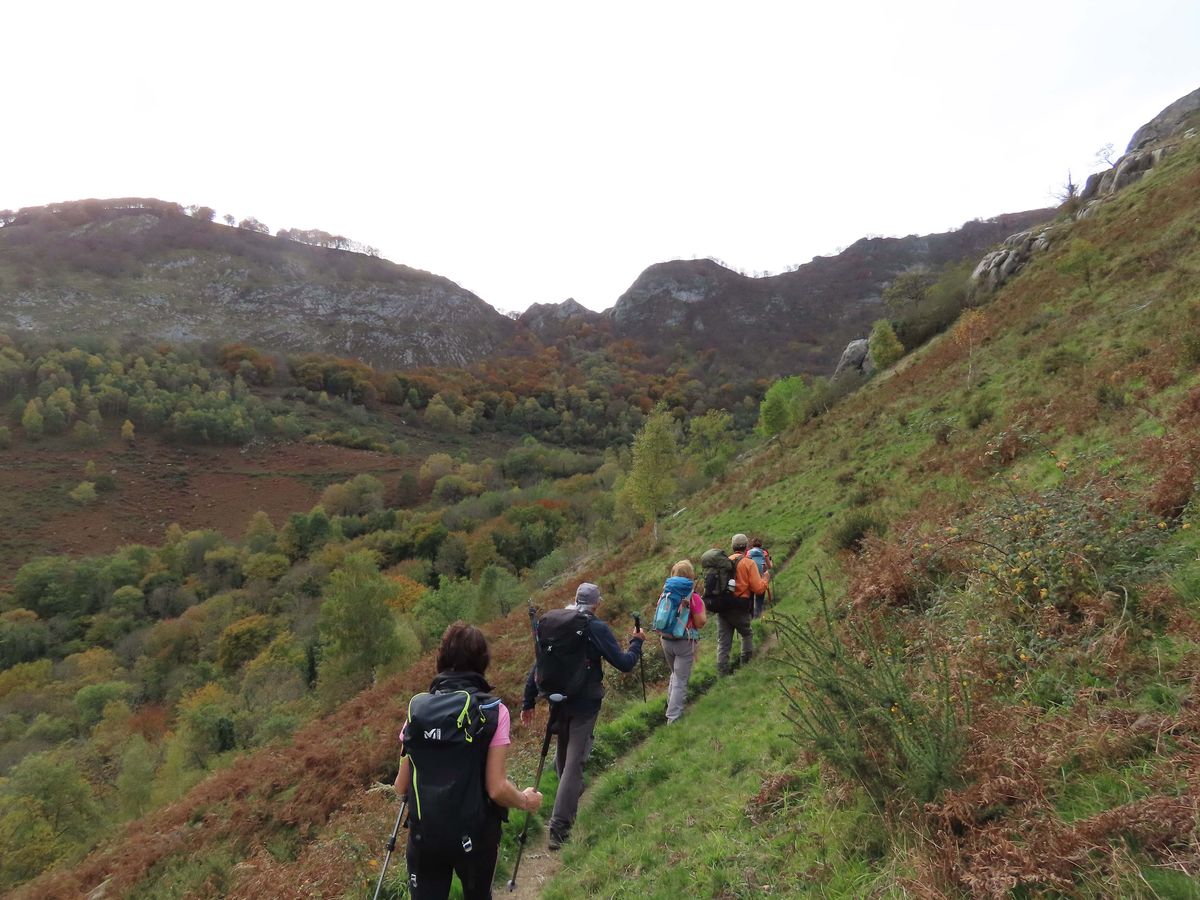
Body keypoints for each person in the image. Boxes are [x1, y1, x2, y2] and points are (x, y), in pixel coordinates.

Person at [394, 623, 543, 900]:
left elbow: (401, 786)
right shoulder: (493, 710)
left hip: (424, 837)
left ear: (441, 660)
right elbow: (496, 789)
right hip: (475, 838)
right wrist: (525, 801)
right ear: (482, 662)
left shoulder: (418, 711)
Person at [521, 582, 643, 851]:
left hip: (557, 701)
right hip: (585, 703)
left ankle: (570, 795)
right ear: (596, 603)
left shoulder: (556, 625)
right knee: (573, 763)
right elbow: (624, 664)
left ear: (575, 600)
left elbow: (539, 664)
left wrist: (528, 700)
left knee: (566, 759)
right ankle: (559, 828)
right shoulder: (594, 627)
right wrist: (636, 642)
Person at [658, 559, 707, 723]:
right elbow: (701, 622)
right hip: (684, 642)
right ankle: (673, 719)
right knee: (680, 679)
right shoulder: (693, 597)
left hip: (665, 639)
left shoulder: (666, 593)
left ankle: (669, 707)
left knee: (675, 675)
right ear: (691, 575)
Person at [717, 533, 768, 676]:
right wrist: (765, 579)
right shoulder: (748, 563)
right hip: (740, 606)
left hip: (723, 608)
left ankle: (722, 675)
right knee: (746, 634)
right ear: (746, 547)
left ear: (732, 547)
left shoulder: (724, 562)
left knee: (723, 643)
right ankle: (745, 668)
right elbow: (758, 589)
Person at [747, 537, 773, 618]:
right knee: (759, 599)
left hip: (750, 578)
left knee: (750, 598)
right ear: (761, 545)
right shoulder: (764, 552)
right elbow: (769, 566)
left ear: (752, 545)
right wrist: (771, 561)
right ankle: (758, 616)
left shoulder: (748, 553)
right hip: (761, 578)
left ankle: (750, 617)